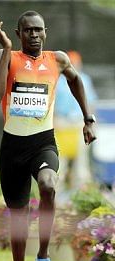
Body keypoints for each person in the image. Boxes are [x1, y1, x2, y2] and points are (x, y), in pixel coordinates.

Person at [0, 11, 97, 261]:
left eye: (38, 30)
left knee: (49, 185)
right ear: (19, 34)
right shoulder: (5, 56)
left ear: (45, 32)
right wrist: (7, 50)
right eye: (27, 31)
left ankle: (44, 259)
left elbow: (75, 81)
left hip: (43, 142)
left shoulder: (58, 59)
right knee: (19, 219)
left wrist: (88, 118)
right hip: (12, 148)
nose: (34, 35)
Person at [54, 51, 98, 190]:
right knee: (59, 161)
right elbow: (52, 102)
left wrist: (90, 123)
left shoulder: (84, 79)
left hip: (79, 123)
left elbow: (91, 103)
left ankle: (81, 192)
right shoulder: (57, 80)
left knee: (81, 163)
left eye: (76, 63)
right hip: (61, 122)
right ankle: (56, 193)